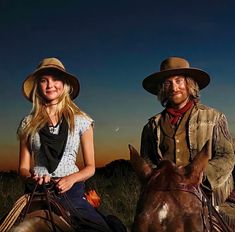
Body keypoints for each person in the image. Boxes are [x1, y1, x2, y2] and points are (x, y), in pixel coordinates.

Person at [17, 57, 120, 231]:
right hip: (37, 190)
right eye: (44, 80)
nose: (50, 85)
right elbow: (22, 168)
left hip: (71, 191)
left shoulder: (82, 121)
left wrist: (70, 179)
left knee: (101, 228)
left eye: (56, 79)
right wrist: (33, 177)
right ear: (38, 87)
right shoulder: (28, 123)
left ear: (64, 85)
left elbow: (90, 167)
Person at [140, 56, 235, 229]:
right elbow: (146, 160)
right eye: (168, 83)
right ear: (162, 88)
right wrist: (161, 180)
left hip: (207, 193)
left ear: (189, 84)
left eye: (179, 81)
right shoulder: (151, 126)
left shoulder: (214, 117)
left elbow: (226, 156)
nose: (174, 87)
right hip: (165, 197)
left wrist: (200, 175)